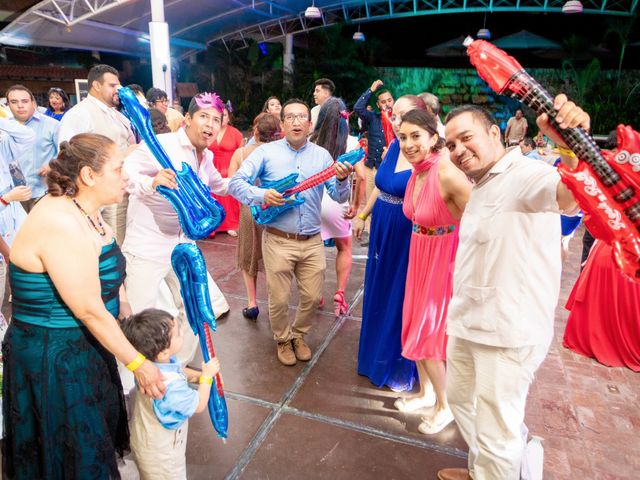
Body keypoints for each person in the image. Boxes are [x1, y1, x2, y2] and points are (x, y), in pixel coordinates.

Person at [437, 96, 588, 480]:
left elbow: (569, 197)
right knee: (461, 403)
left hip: (507, 333)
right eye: (451, 145)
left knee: (496, 432)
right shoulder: (482, 183)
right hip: (469, 322)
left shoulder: (523, 173)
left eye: (465, 138)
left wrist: (572, 146)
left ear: (493, 133)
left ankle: (499, 468)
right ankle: (492, 469)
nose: (457, 150)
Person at [2, 133, 165, 479]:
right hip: (54, 358)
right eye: (119, 169)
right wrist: (138, 363)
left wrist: (120, 299)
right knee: (71, 458)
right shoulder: (60, 221)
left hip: (84, 348)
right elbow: (89, 309)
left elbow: (103, 268)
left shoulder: (86, 210)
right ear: (89, 176)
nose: (125, 176)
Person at [229, 98, 352, 366]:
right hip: (278, 239)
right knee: (280, 298)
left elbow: (339, 196)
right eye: (290, 117)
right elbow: (235, 184)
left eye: (302, 117)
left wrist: (343, 179)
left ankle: (299, 335)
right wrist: (262, 194)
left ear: (310, 124)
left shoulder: (322, 156)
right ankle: (283, 339)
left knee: (310, 296)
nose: (296, 122)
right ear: (282, 124)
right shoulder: (265, 153)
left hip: (311, 241)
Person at [123, 92, 231, 375]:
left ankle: (175, 371)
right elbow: (125, 172)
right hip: (147, 246)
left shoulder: (205, 157)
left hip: (183, 247)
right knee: (137, 316)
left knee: (193, 309)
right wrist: (152, 182)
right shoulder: (163, 145)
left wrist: (258, 188)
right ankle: (131, 384)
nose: (209, 124)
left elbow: (221, 185)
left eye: (216, 119)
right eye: (203, 116)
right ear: (187, 119)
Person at [396, 109, 471, 434]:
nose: (409, 143)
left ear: (432, 137)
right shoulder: (418, 170)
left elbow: (481, 221)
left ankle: (446, 405)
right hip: (419, 255)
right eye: (403, 137)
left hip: (443, 260)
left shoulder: (446, 172)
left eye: (416, 136)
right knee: (414, 323)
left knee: (427, 334)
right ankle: (427, 394)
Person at [353, 95, 426, 392]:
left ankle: (396, 365)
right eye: (394, 116)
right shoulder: (395, 145)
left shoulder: (426, 155)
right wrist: (362, 215)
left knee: (400, 294)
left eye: (404, 116)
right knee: (379, 289)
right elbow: (381, 187)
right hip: (381, 225)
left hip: (406, 231)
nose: (397, 123)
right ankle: (373, 357)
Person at [120, 308, 221, 479]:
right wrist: (206, 378)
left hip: (145, 439)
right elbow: (199, 403)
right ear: (163, 352)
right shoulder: (170, 387)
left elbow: (178, 372)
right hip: (163, 454)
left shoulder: (148, 366)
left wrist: (197, 376)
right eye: (178, 334)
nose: (182, 332)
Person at [58, 64, 136, 245]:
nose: (118, 90)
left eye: (119, 85)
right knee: (108, 244)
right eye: (112, 85)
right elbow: (68, 157)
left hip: (123, 189)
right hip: (101, 193)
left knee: (123, 243)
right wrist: (124, 155)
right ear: (96, 86)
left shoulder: (118, 115)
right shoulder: (80, 113)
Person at [310, 97, 363, 316]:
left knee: (315, 250)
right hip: (337, 203)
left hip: (315, 202)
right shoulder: (352, 142)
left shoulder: (310, 141)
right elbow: (360, 175)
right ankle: (339, 292)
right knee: (344, 248)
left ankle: (316, 293)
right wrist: (356, 205)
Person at [228, 112, 282, 320]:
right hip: (274, 210)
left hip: (248, 210)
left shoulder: (241, 153)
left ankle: (252, 303)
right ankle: (273, 302)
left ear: (255, 131)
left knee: (248, 255)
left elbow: (232, 183)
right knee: (273, 258)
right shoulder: (280, 153)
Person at [6, 84, 59, 212]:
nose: (20, 106)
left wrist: (53, 164)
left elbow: (66, 152)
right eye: (14, 102)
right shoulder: (5, 128)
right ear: (8, 104)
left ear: (32, 102)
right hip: (13, 195)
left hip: (44, 193)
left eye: (24, 101)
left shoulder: (52, 125)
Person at [354, 79, 394, 246]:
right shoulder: (372, 118)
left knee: (390, 201)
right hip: (373, 166)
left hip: (392, 167)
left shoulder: (400, 121)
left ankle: (389, 235)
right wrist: (371, 89)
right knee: (371, 201)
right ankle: (372, 236)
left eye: (389, 100)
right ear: (378, 104)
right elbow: (358, 108)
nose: (387, 104)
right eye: (383, 102)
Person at [208, 102, 243, 236]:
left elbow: (240, 154)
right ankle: (213, 225)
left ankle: (231, 224)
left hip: (230, 168)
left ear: (229, 118)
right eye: (219, 116)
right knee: (211, 196)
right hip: (212, 168)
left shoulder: (236, 134)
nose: (222, 118)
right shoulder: (210, 131)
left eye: (225, 115)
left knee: (229, 198)